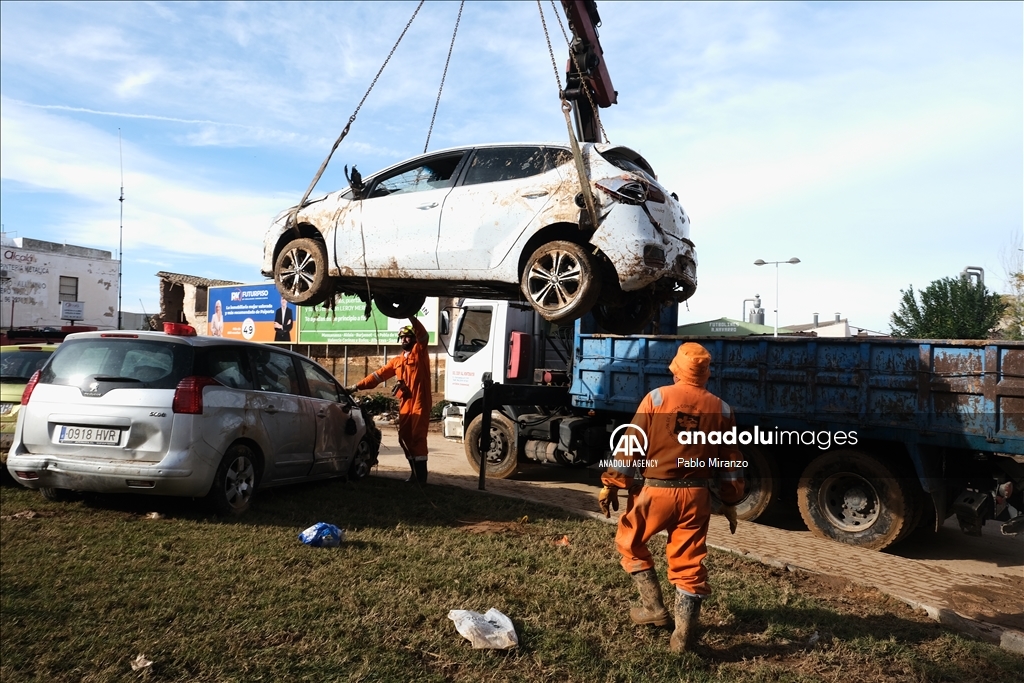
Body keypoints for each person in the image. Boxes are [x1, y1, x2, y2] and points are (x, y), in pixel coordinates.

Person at [598, 342, 745, 653]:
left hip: (656, 492)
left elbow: (632, 443)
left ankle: (653, 609)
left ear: (676, 368)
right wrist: (730, 501)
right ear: (706, 373)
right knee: (689, 562)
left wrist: (612, 482)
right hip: (697, 497)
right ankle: (684, 639)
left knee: (630, 541)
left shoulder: (657, 398)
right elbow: (731, 461)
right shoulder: (722, 409)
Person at [347, 317, 431, 482]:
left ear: (414, 338)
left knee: (417, 437)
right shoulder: (397, 361)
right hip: (406, 403)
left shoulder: (420, 352)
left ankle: (421, 478)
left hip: (420, 402)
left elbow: (424, 335)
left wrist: (411, 316)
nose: (404, 339)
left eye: (407, 336)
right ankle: (414, 475)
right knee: (405, 437)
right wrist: (356, 386)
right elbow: (377, 376)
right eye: (401, 337)